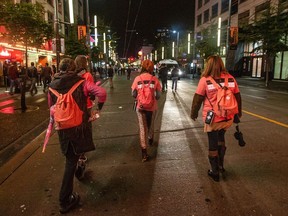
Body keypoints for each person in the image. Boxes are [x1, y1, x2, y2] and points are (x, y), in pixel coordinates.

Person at [48, 58, 107, 214]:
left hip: (63, 129)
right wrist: (98, 109)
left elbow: (52, 108)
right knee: (71, 161)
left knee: (71, 158)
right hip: (78, 127)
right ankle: (64, 199)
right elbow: (101, 92)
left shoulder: (51, 86)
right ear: (74, 69)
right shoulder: (81, 83)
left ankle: (73, 182)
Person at [190, 55, 242, 182]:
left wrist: (194, 113)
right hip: (228, 118)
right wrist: (238, 113)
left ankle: (214, 172)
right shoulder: (230, 78)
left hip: (213, 118)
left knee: (212, 142)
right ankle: (220, 165)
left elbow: (197, 99)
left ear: (209, 65)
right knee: (221, 137)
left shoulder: (205, 80)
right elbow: (238, 97)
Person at [131, 59, 161, 162]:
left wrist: (140, 97)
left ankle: (144, 152)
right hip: (152, 107)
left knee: (142, 127)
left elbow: (133, 94)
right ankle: (150, 138)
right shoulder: (154, 79)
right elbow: (158, 96)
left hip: (140, 107)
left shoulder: (137, 79)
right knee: (151, 124)